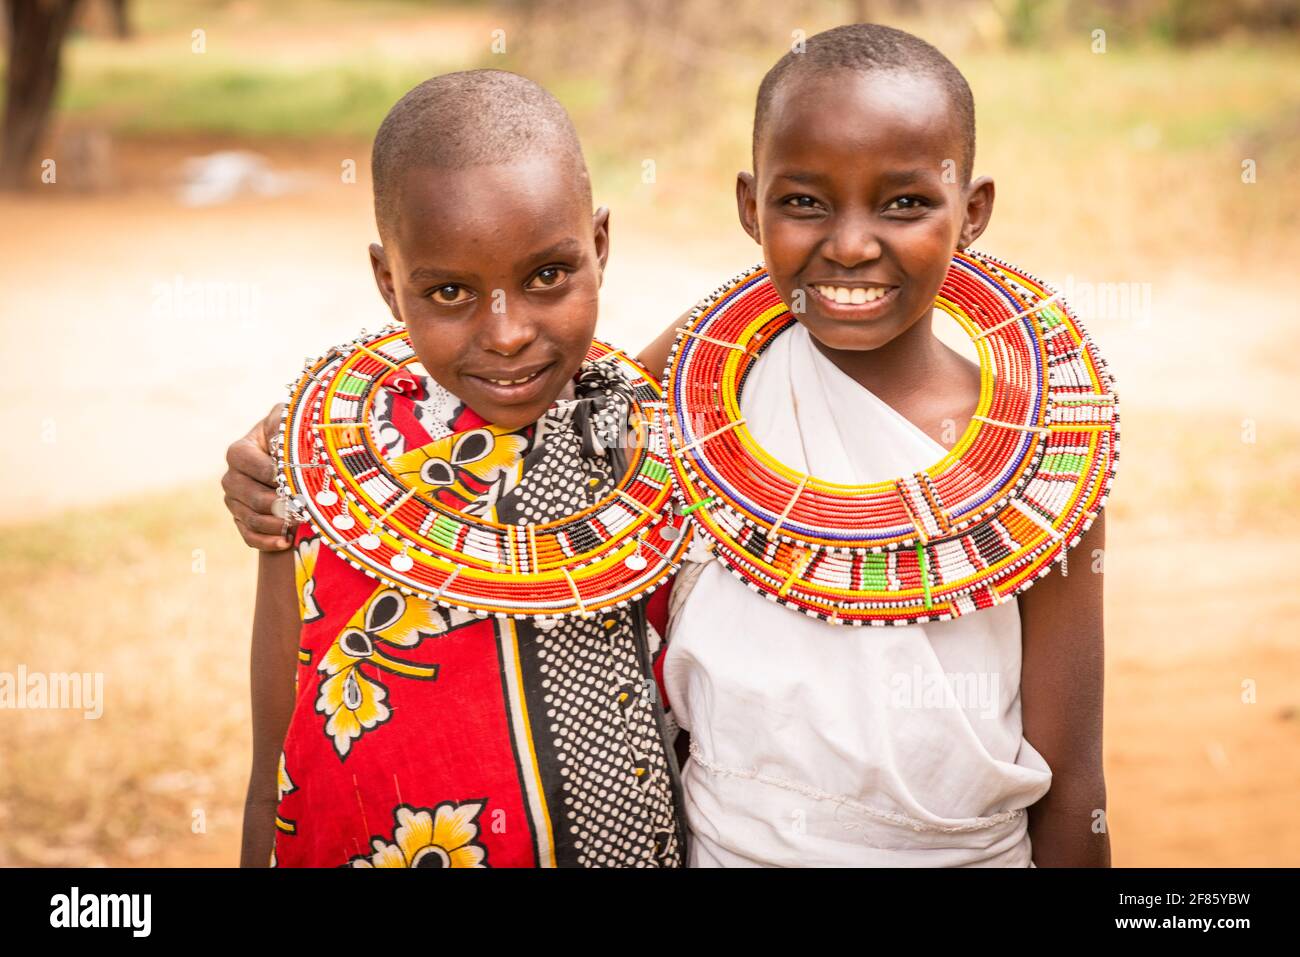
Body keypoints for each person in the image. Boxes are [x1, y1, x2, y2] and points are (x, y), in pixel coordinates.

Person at [229, 24, 1113, 868]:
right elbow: (535, 387)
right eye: (803, 202)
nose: (849, 244)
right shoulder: (697, 392)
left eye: (907, 202)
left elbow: (1072, 776)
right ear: (749, 206)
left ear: (975, 208)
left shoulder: (1040, 466)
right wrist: (285, 449)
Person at [239, 69, 688, 868]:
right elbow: (277, 767)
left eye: (548, 275)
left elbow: (753, 307)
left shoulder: (642, 436)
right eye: (450, 291)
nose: (508, 332)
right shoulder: (323, 476)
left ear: (602, 247)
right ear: (388, 281)